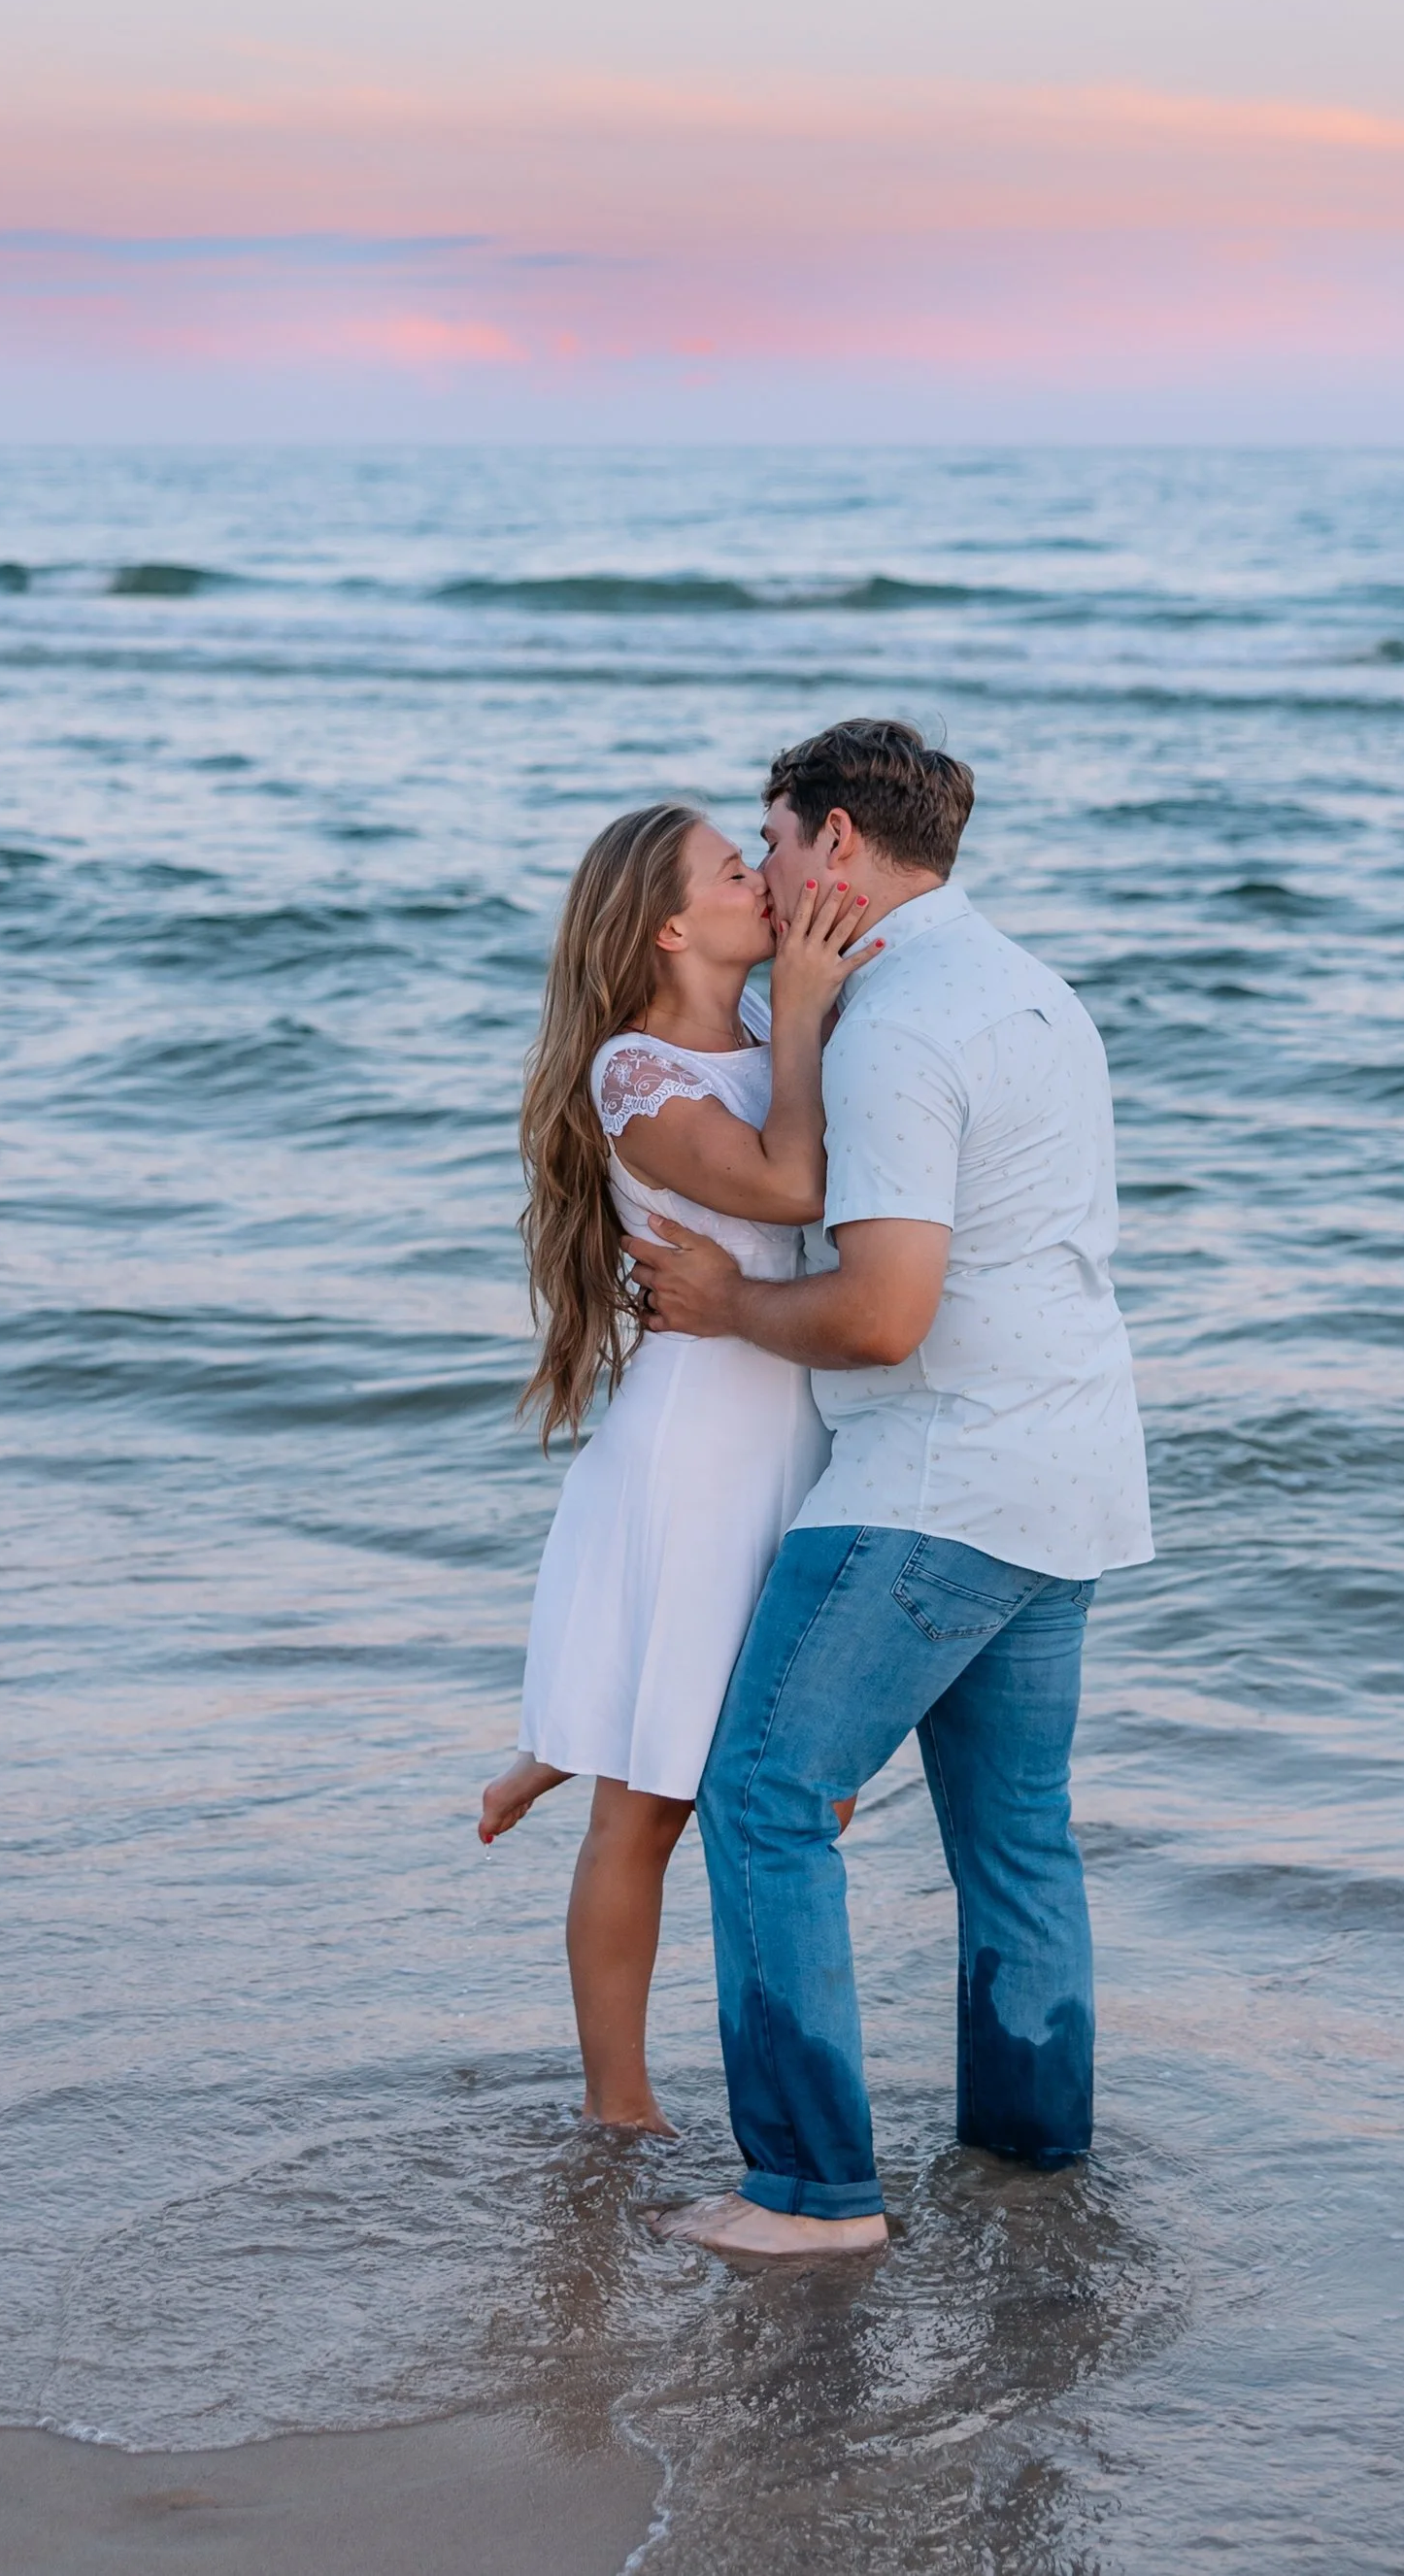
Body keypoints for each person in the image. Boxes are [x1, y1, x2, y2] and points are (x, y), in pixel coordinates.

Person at [625, 719, 1154, 2259]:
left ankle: (809, 2191)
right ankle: (1033, 2162)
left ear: (839, 842)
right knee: (1017, 1839)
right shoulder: (1032, 989)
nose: (766, 866)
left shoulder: (900, 1024)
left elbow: (881, 1313)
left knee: (763, 1794)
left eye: (773, 840)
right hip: (1069, 1477)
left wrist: (723, 1307)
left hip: (941, 1476)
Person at [480, 802, 880, 2133]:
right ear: (671, 925)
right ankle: (621, 2104)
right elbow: (791, 1184)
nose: (762, 883)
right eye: (733, 869)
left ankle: (560, 1733)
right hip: (697, 1449)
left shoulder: (768, 1034)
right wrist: (815, 1001)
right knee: (649, 1806)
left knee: (802, 1775)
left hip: (798, 1430)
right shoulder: (637, 1077)